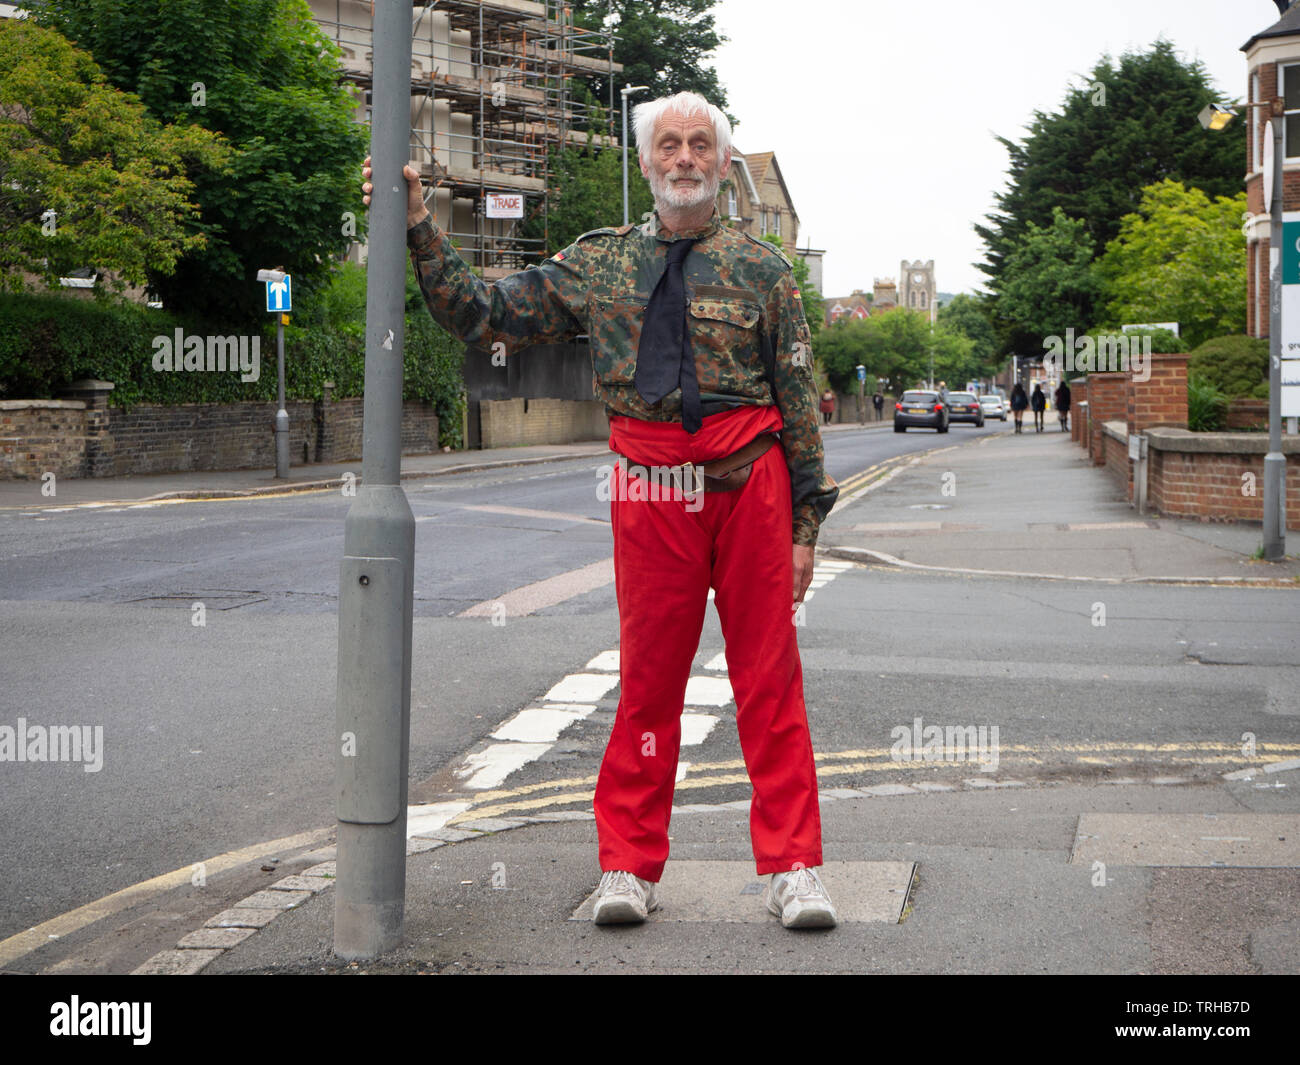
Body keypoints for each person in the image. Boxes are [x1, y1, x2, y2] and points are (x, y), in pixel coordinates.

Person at [362, 91, 840, 930]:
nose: (685, 157)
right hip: (651, 489)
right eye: (669, 145)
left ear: (723, 166)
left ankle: (794, 868)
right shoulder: (597, 262)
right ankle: (626, 865)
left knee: (769, 680)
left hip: (749, 485)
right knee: (647, 682)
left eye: (700, 145)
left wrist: (806, 528)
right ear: (648, 162)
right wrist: (416, 226)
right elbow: (486, 313)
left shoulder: (766, 270)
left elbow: (799, 400)